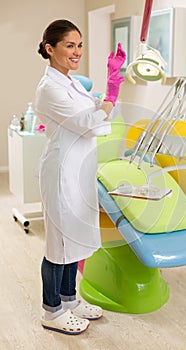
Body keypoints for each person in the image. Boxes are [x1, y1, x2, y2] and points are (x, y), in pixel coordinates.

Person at [35, 19, 126, 335]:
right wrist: (112, 91)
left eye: (80, 45)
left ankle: (69, 299)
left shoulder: (70, 82)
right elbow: (90, 122)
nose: (77, 52)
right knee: (58, 246)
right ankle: (52, 310)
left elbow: (96, 113)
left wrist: (106, 97)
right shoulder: (49, 88)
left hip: (80, 170)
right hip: (62, 174)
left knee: (73, 239)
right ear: (50, 48)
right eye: (69, 45)